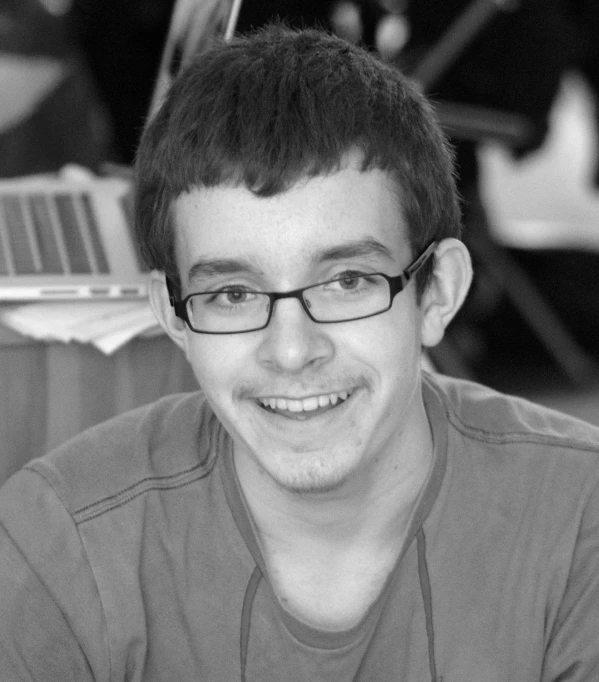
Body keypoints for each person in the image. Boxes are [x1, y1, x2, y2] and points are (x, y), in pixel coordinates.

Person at [0, 24, 598, 682]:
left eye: (346, 282)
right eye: (232, 293)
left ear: (436, 294)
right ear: (172, 315)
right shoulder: (60, 541)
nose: (290, 350)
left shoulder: (577, 521)